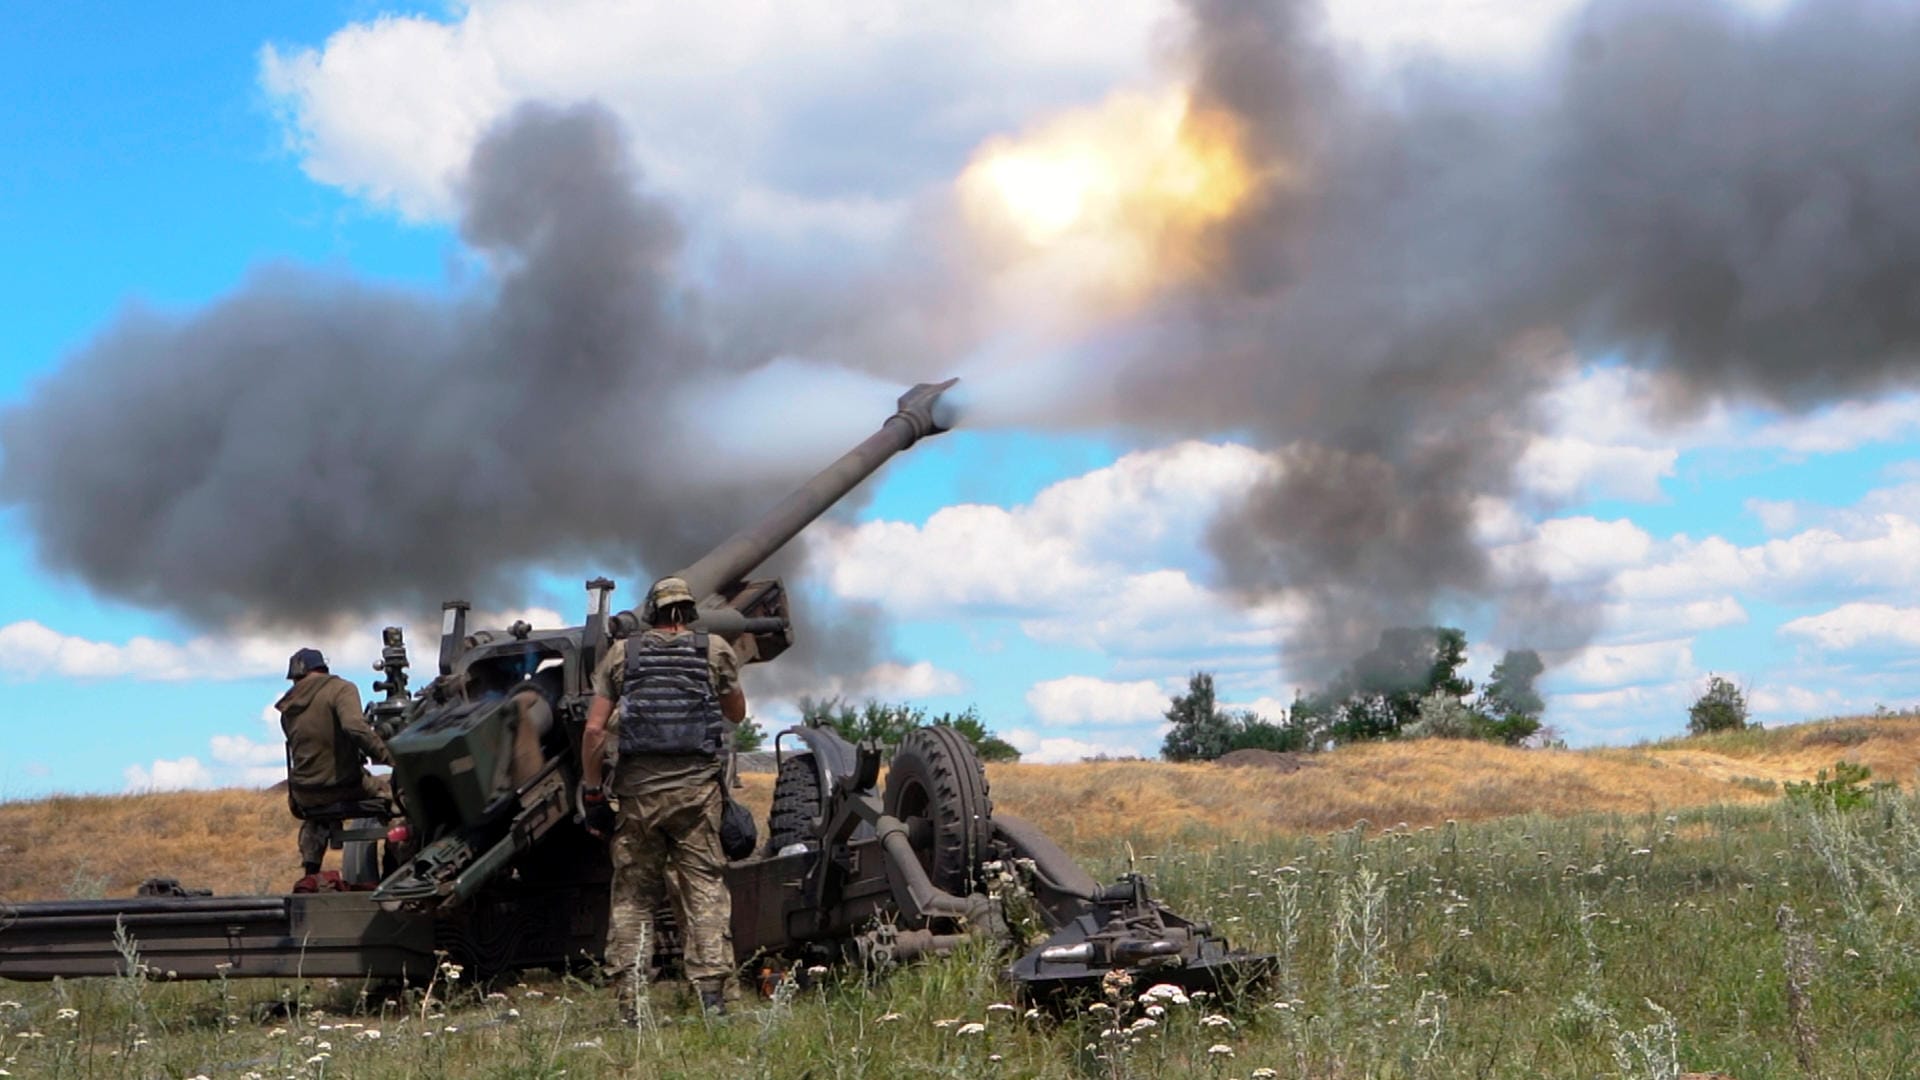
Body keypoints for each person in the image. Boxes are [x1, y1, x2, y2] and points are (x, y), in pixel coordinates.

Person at [580, 576, 746, 1017]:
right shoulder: (714, 650)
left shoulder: (623, 654)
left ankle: (631, 1003)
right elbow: (736, 714)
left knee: (634, 896)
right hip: (697, 795)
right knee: (704, 889)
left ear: (652, 611)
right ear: (690, 612)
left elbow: (595, 729)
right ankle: (712, 997)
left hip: (638, 798)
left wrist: (593, 791)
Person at [277, 647, 392, 878]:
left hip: (304, 794)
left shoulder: (288, 708)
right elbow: (353, 727)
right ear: (322, 668)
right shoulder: (341, 689)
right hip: (344, 786)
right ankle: (397, 864)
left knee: (317, 816)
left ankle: (311, 870)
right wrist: (387, 756)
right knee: (398, 793)